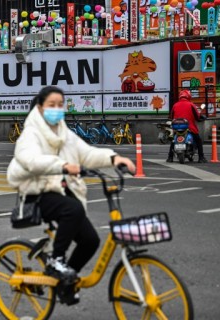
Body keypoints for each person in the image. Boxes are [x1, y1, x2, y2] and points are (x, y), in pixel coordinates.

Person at [7, 86, 135, 305]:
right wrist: (64, 166)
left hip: (64, 193)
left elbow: (87, 153)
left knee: (90, 241)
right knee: (73, 208)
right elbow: (31, 161)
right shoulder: (30, 134)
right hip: (38, 193)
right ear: (40, 108)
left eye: (60, 104)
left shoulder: (64, 134)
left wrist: (114, 158)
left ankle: (64, 282)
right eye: (51, 105)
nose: (57, 109)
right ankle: (56, 261)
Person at [167, 89, 207, 163]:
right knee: (198, 140)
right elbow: (197, 116)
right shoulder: (191, 104)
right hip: (189, 127)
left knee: (173, 141)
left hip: (177, 128)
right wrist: (201, 118)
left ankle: (170, 157)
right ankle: (201, 158)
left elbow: (171, 117)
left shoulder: (175, 105)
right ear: (188, 96)